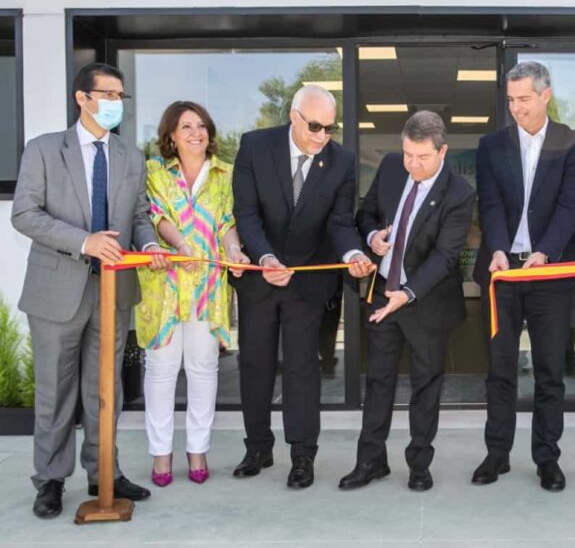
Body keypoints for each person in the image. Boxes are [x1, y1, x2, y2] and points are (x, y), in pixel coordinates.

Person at [12, 63, 168, 518]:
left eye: (121, 96)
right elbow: (25, 214)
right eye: (108, 94)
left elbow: (138, 216)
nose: (116, 103)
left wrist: (150, 244)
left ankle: (104, 474)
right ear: (82, 98)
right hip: (56, 290)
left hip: (113, 292)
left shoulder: (130, 156)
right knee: (56, 392)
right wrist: (85, 241)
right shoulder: (44, 150)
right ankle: (51, 479)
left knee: (106, 391)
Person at [230, 85, 372, 488]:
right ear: (294, 117)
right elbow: (246, 213)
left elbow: (340, 222)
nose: (322, 136)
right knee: (255, 365)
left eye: (330, 128)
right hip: (260, 277)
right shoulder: (255, 146)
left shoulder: (342, 161)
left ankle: (302, 455)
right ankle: (258, 447)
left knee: (302, 369)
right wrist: (265, 259)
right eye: (314, 126)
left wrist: (352, 254)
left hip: (307, 281)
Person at [471, 61, 575, 492]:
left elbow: (571, 205)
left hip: (550, 271)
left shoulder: (573, 143)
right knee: (499, 369)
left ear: (545, 95)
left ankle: (547, 458)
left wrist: (546, 252)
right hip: (503, 271)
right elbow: (488, 203)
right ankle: (497, 454)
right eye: (511, 100)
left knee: (549, 370)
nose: (516, 108)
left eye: (524, 99)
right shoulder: (492, 145)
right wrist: (498, 249)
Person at [339, 111, 474, 492]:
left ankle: (419, 464)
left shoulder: (459, 193)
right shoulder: (391, 167)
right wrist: (373, 237)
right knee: (378, 381)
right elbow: (365, 213)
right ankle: (370, 461)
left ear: (442, 151)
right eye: (408, 155)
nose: (413, 165)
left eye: (422, 157)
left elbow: (444, 257)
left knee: (425, 384)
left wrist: (408, 293)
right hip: (384, 292)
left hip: (426, 301)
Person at [136, 101, 249, 487]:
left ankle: (198, 448)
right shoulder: (153, 171)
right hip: (164, 285)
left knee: (203, 369)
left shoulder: (225, 173)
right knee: (161, 370)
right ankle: (161, 453)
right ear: (171, 135)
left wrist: (234, 250)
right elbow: (154, 215)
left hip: (207, 284)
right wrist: (180, 245)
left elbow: (228, 221)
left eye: (201, 125)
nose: (196, 133)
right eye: (186, 126)